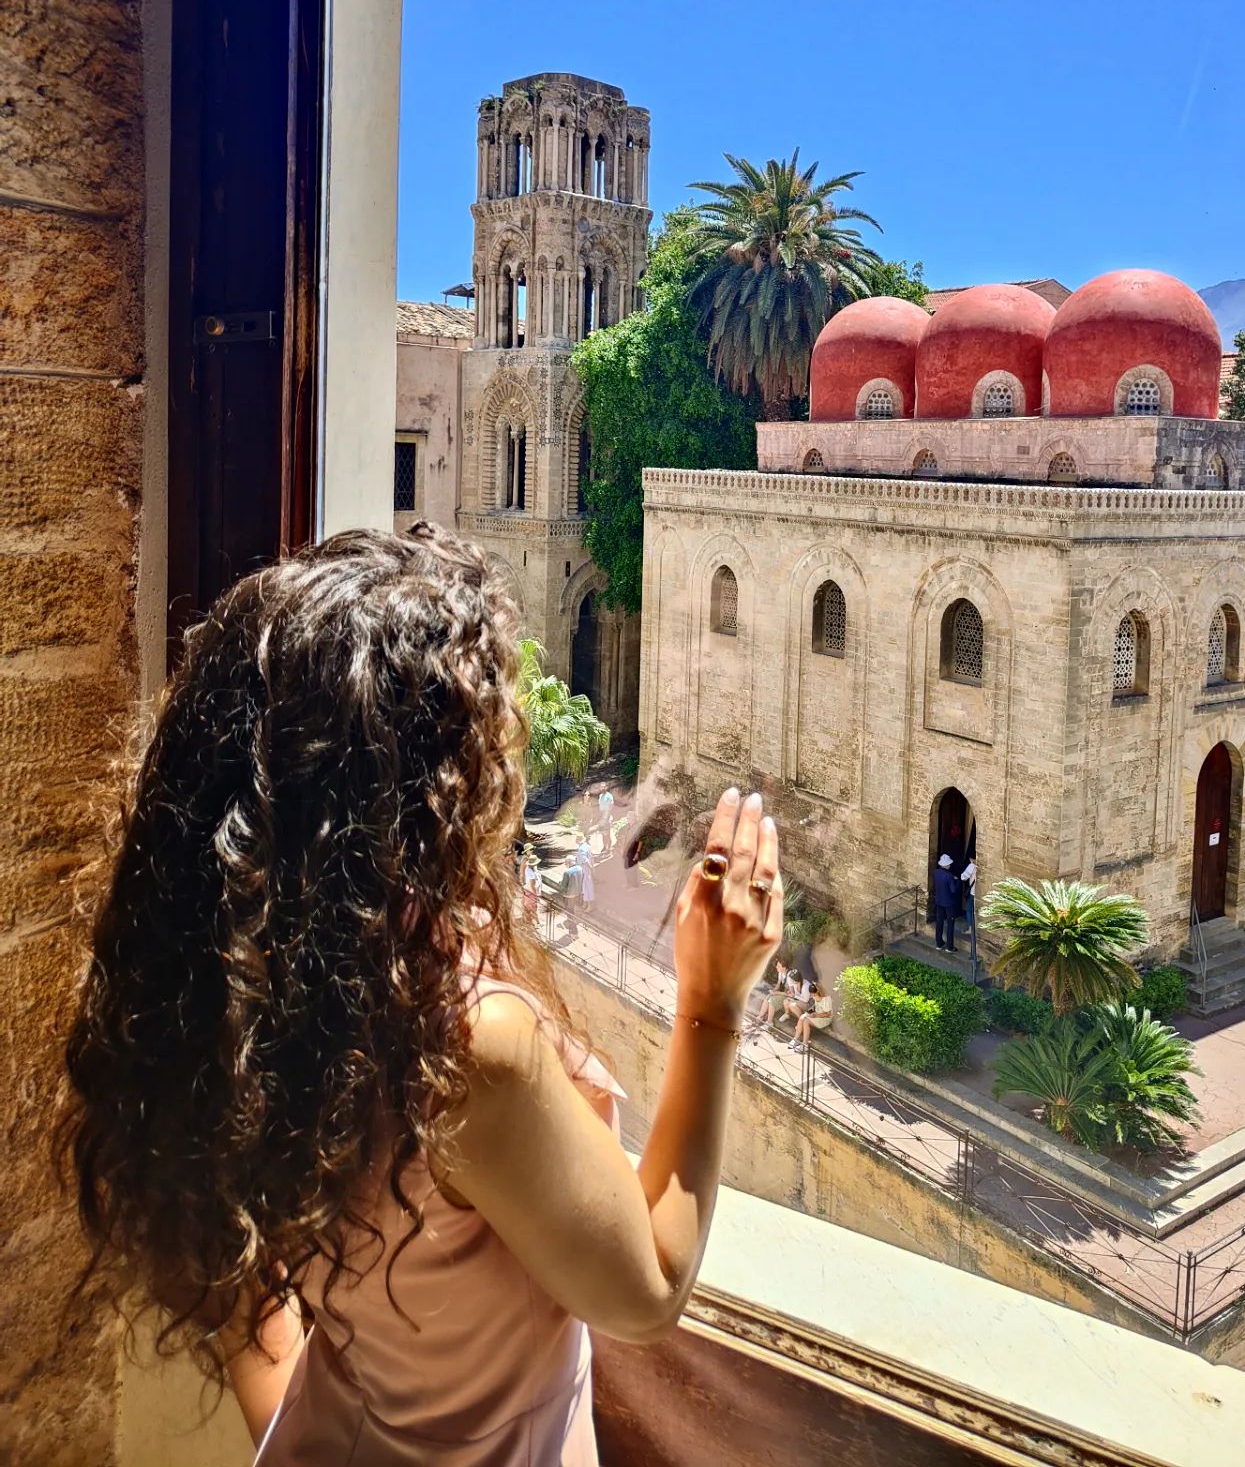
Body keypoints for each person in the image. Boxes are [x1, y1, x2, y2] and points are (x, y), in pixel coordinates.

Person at [60, 526, 783, 1464]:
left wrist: (304, 1422)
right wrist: (712, 1006)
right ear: (434, 781)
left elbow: (235, 1280)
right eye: (489, 726)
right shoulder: (462, 1044)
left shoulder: (259, 965)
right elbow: (647, 1292)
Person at [791, 981, 833, 1053]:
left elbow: (828, 1014)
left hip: (825, 1018)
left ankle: (805, 1045)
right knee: (802, 1017)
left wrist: (815, 1015)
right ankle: (796, 1039)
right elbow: (815, 1008)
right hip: (817, 1015)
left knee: (806, 1021)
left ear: (817, 992)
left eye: (813, 994)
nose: (811, 995)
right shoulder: (815, 996)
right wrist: (810, 1013)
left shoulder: (826, 999)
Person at [933, 854, 960, 953]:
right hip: (949, 903)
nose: (950, 865)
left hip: (939, 901)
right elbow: (953, 890)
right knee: (950, 924)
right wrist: (957, 881)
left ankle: (939, 943)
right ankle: (949, 946)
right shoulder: (949, 876)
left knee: (939, 921)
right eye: (949, 864)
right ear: (947, 865)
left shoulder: (936, 872)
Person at [959, 855, 978, 930]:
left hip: (973, 892)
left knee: (969, 910)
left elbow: (963, 877)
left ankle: (971, 929)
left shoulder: (972, 866)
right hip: (979, 893)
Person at [597, 787, 616, 855]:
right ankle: (604, 847)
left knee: (607, 834)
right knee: (603, 834)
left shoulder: (609, 796)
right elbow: (600, 806)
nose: (602, 788)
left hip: (607, 817)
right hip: (602, 817)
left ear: (606, 788)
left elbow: (611, 805)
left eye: (604, 787)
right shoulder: (600, 795)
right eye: (601, 787)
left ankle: (609, 848)